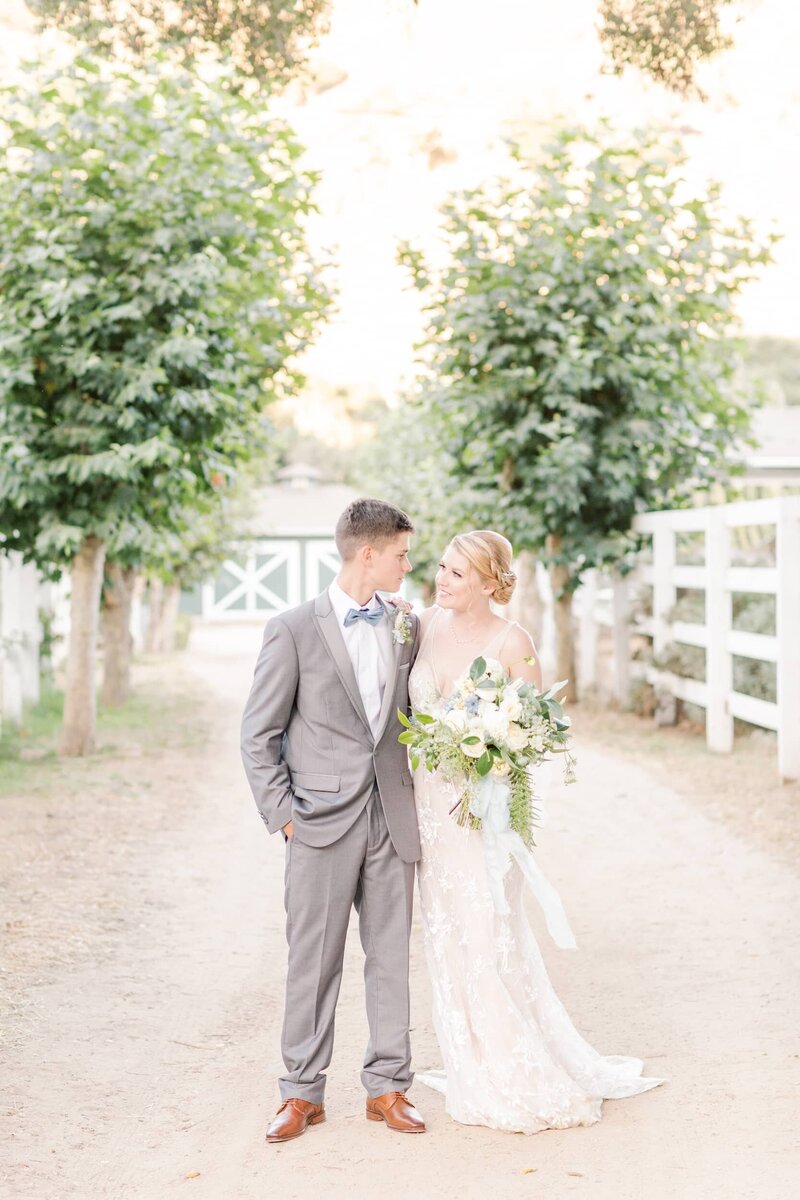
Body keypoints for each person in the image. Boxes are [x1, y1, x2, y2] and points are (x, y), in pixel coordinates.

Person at [409, 529, 663, 1133]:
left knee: (489, 928)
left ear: (490, 583)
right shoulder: (420, 626)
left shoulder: (511, 641)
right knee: (447, 933)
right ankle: (470, 1054)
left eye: (457, 574)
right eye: (442, 567)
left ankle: (511, 1063)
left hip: (480, 812)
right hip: (426, 809)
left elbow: (535, 731)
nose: (442, 580)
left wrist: (487, 757)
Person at [241, 497, 427, 1144]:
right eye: (402, 554)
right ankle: (301, 1094)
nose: (410, 564)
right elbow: (257, 735)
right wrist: (286, 818)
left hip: (391, 817)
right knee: (312, 962)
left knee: (392, 959)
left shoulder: (407, 622)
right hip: (317, 823)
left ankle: (389, 1087)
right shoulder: (292, 629)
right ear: (368, 554)